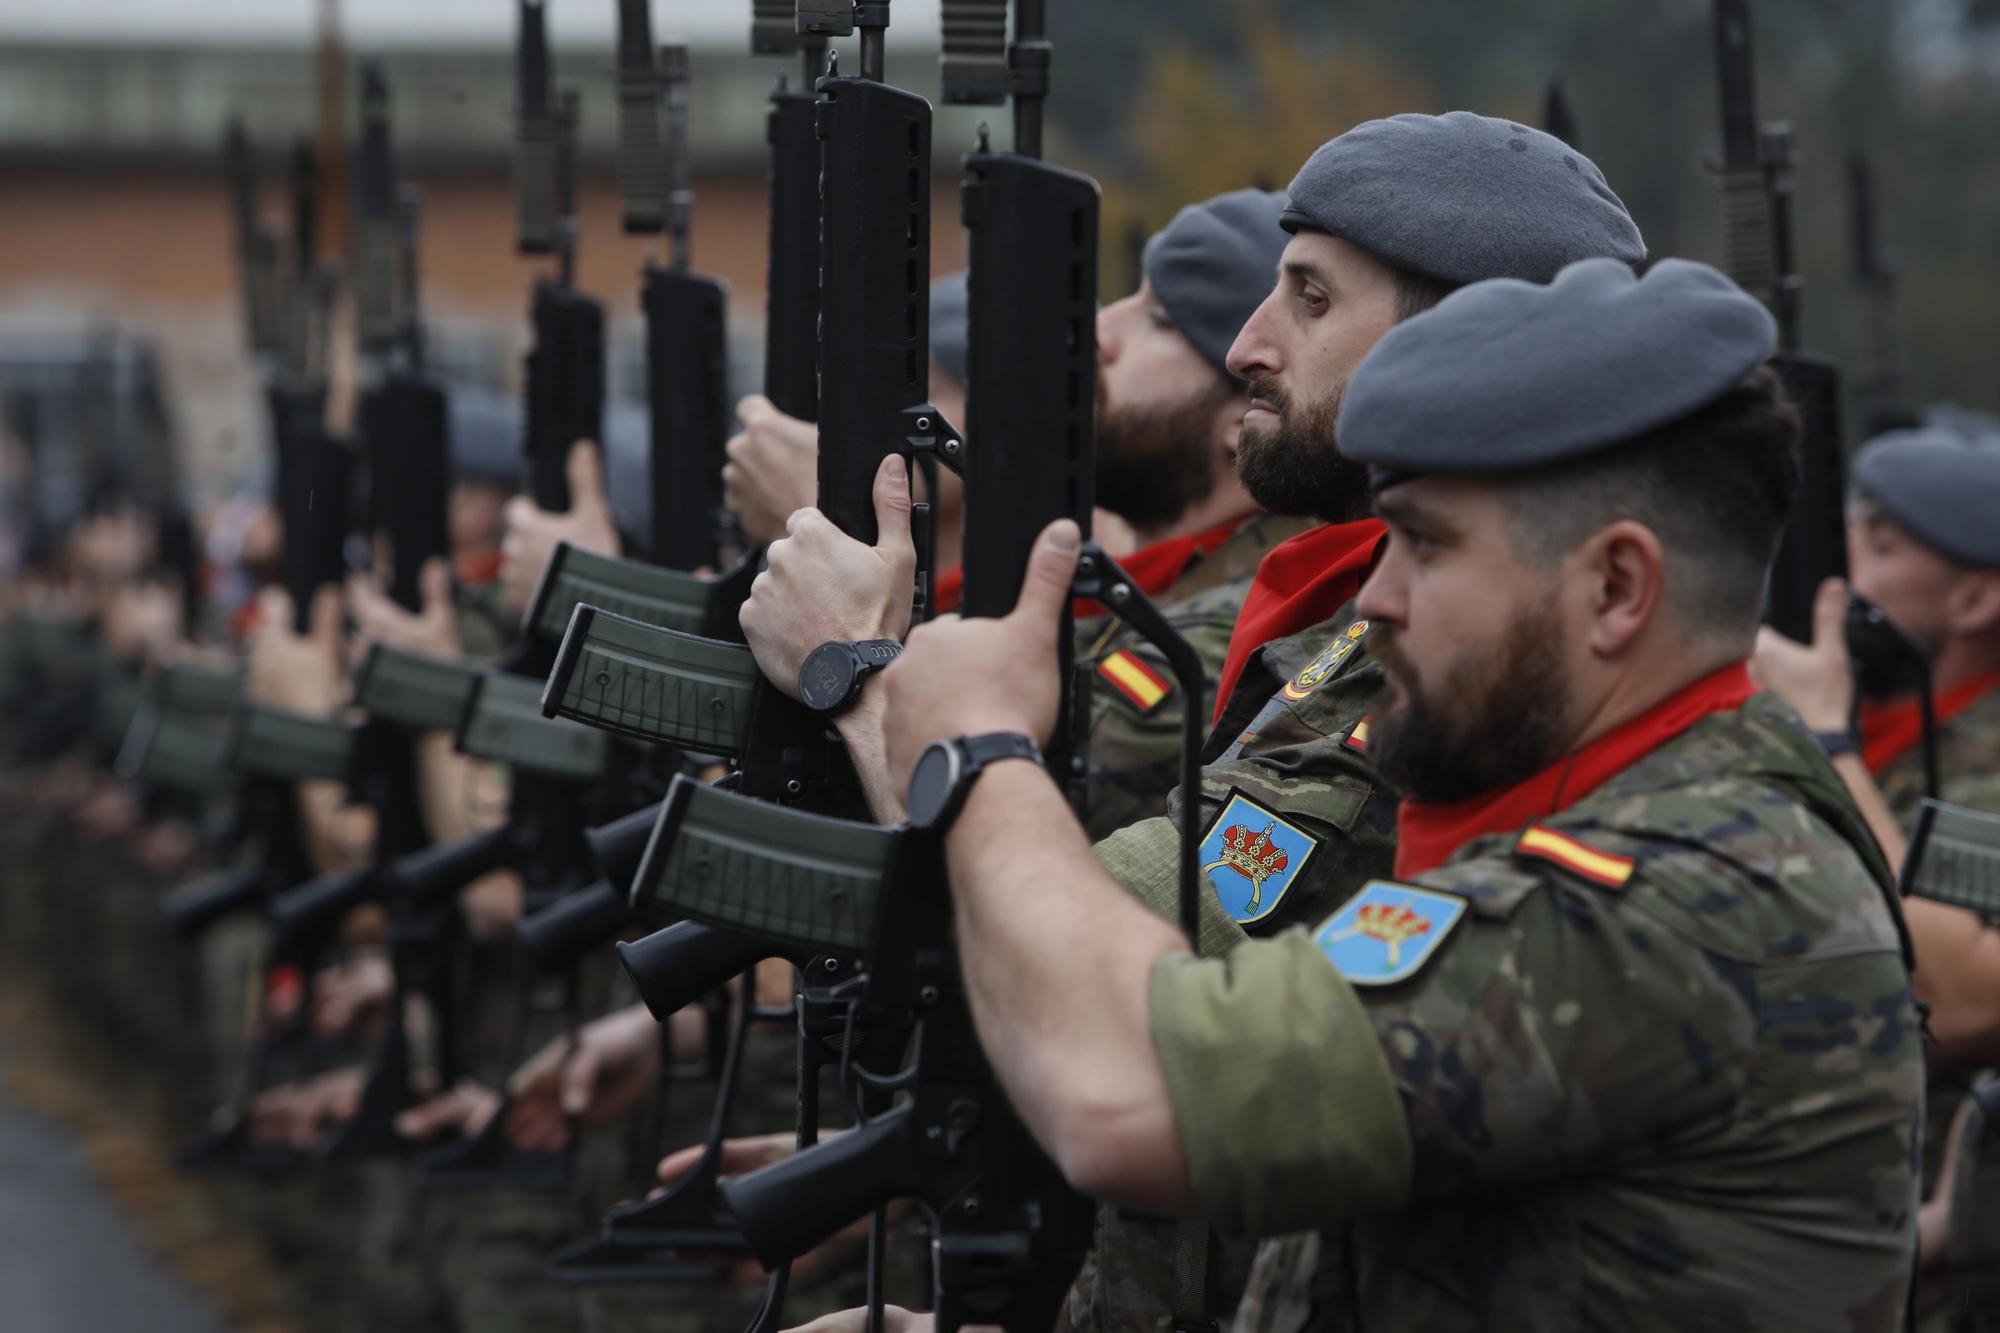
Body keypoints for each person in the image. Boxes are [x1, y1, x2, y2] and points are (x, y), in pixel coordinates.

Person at [854, 256, 1921, 1331]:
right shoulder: (1588, 807)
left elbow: (1128, 1092)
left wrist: (979, 747)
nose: (1374, 596)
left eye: (1425, 546)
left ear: (1614, 588)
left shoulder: (1682, 895)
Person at [740, 110, 1648, 1329]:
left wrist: (864, 680)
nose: (1249, 346)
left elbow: (1102, 981)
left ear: (1461, 342)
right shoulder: (1337, 631)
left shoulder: (1435, 667)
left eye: (1311, 301)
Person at [1751, 424, 2000, 1322]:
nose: (1844, 561)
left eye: (1883, 546)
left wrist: (1823, 740)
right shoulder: (1868, 716)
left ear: (1974, 599)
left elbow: (1962, 997)